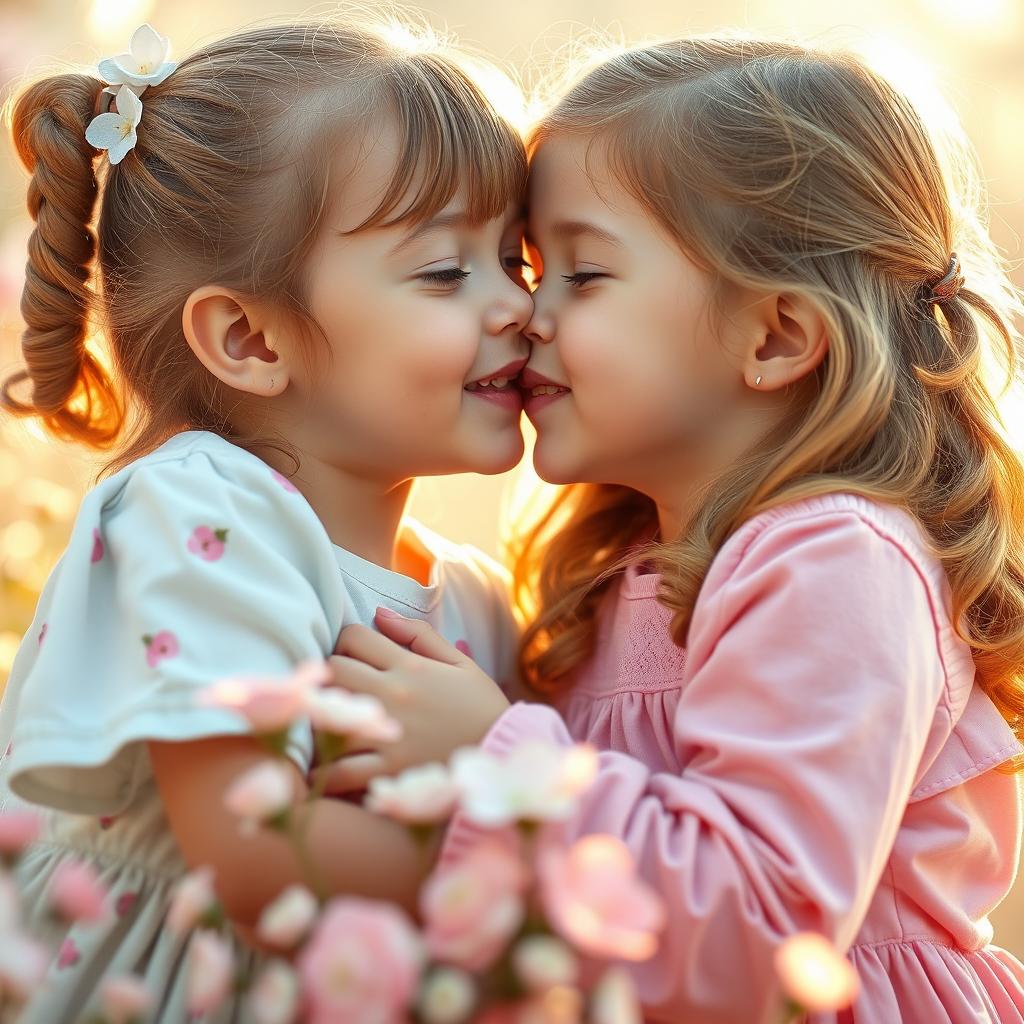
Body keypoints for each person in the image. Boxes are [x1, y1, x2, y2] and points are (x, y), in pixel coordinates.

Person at [328, 37, 1024, 1022]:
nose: (525, 310)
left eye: (585, 274)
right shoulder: (632, 574)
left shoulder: (834, 560)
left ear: (775, 335)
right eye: (537, 267)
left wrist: (492, 760)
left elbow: (757, 923)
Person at [0, 16, 532, 1020]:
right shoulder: (198, 508)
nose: (516, 306)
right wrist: (537, 839)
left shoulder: (474, 597)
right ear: (247, 337)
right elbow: (259, 863)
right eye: (444, 271)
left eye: (520, 259)